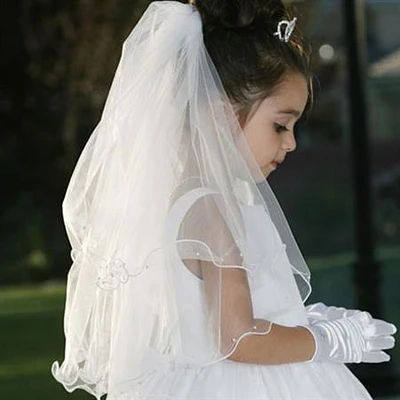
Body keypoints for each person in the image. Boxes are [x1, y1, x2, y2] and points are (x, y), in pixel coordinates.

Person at [52, 1, 397, 399]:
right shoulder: (213, 210)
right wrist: (327, 340)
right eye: (280, 125)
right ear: (221, 117)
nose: (291, 142)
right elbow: (237, 338)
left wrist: (301, 319)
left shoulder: (185, 201)